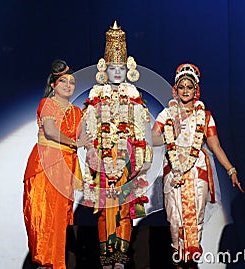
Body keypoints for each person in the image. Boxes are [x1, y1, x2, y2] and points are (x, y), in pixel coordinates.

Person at [151, 63, 244, 268]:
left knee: (195, 217)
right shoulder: (167, 115)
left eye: (189, 87)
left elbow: (216, 146)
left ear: (196, 90)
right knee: (175, 218)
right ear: (176, 89)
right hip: (174, 171)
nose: (185, 91)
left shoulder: (205, 116)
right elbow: (153, 139)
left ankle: (191, 262)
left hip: (197, 169)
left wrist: (231, 170)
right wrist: (171, 132)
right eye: (182, 87)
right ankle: (178, 257)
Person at [82, 21, 153, 269]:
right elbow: (89, 127)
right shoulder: (95, 94)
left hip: (126, 158)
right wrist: (91, 151)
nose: (116, 73)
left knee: (124, 208)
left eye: (120, 68)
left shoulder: (133, 95)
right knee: (104, 209)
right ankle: (106, 256)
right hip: (102, 159)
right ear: (105, 69)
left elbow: (140, 130)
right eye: (112, 68)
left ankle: (121, 257)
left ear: (127, 69)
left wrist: (142, 160)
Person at [23, 59, 92, 269]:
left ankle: (56, 261)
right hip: (46, 163)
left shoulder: (77, 111)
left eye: (71, 82)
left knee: (61, 215)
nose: (68, 86)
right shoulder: (47, 104)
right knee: (43, 213)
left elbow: (87, 137)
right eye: (63, 81)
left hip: (66, 166)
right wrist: (75, 142)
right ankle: (45, 261)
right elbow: (51, 131)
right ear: (53, 84)